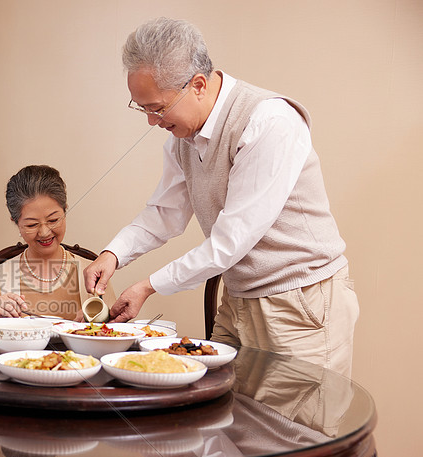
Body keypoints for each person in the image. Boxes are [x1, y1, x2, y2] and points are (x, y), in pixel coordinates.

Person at [84, 17, 359, 378]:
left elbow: (231, 241)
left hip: (300, 304)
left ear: (197, 85)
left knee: (296, 429)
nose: (152, 121)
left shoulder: (269, 122)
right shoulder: (182, 137)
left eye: (157, 107)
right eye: (143, 108)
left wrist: (148, 286)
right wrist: (113, 254)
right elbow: (165, 212)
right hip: (239, 299)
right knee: (227, 419)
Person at [0, 165, 114, 321]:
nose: (44, 232)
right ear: (15, 222)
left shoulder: (93, 273)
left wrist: (94, 326)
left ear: (65, 210)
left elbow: (116, 333)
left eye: (53, 220)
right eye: (31, 225)